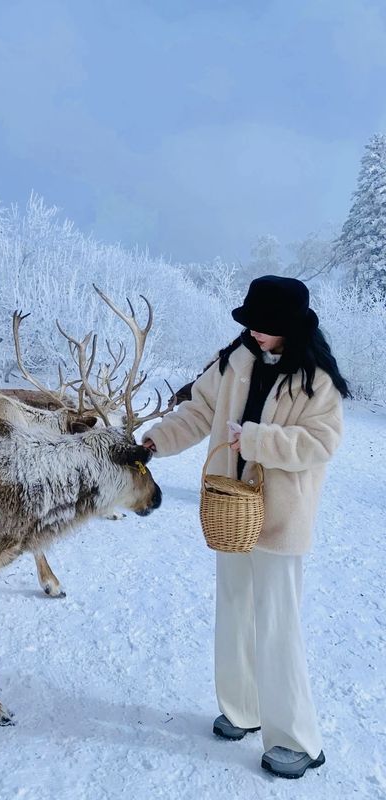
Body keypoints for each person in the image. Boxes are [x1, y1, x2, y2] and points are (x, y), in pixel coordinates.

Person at [142, 275, 350, 780]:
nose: (256, 333)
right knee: (234, 612)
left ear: (292, 328)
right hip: (230, 513)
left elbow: (320, 443)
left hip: (280, 517)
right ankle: (243, 709)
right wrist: (153, 443)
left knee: (278, 626)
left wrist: (254, 440)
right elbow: (197, 413)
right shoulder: (232, 362)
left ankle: (298, 738)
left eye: (266, 327)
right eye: (251, 323)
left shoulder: (314, 379)